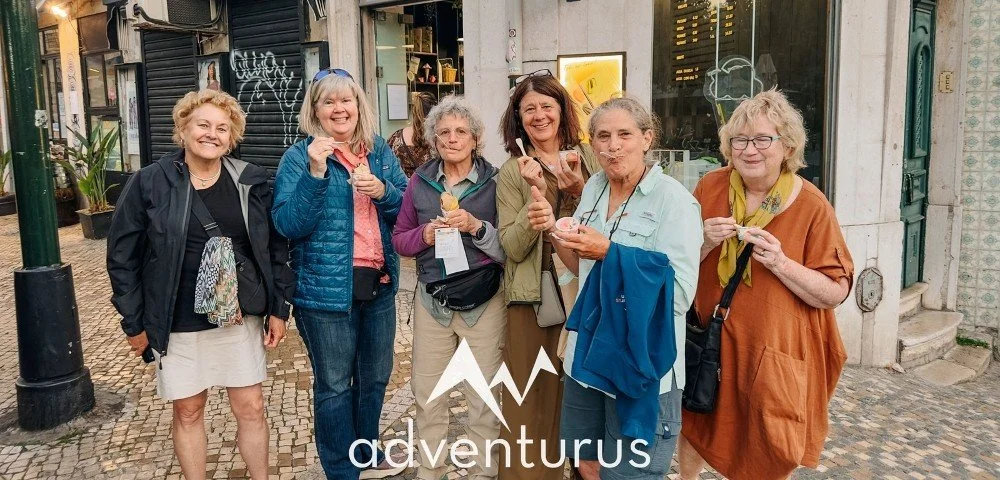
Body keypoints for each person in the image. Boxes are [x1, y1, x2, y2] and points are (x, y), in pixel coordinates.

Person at [107, 89, 295, 480]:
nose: (212, 134)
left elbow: (274, 249)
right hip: (177, 320)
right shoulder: (149, 183)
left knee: (252, 407)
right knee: (188, 411)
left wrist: (280, 308)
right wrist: (134, 322)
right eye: (204, 124)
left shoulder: (250, 180)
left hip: (237, 318)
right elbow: (122, 257)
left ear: (232, 137)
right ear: (184, 128)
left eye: (222, 128)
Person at [677, 89, 854, 480]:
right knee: (696, 418)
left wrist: (781, 263)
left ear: (787, 145)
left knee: (771, 438)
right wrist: (703, 241)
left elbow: (835, 291)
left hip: (773, 352)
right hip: (711, 340)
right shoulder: (710, 187)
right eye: (740, 140)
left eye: (762, 139)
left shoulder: (811, 205)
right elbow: (676, 263)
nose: (750, 150)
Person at [532, 97, 702, 479]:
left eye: (624, 134)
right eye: (603, 136)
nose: (613, 145)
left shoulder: (674, 202)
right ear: (592, 144)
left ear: (647, 138)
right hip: (589, 355)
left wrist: (610, 252)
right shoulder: (593, 187)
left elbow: (679, 296)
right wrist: (553, 230)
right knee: (586, 464)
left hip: (640, 365)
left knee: (628, 474)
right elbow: (583, 269)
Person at [271, 68, 408, 479]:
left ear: (358, 106)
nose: (338, 108)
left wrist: (383, 192)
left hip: (379, 285)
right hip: (325, 293)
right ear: (315, 111)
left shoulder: (380, 150)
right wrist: (315, 174)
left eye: (345, 100)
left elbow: (407, 212)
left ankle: (365, 452)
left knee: (376, 377)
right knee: (333, 384)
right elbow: (287, 224)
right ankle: (341, 469)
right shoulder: (300, 157)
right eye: (328, 101)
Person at [391, 95, 506, 480]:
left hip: (483, 300)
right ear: (434, 140)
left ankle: (484, 472)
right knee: (429, 393)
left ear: (475, 139)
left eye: (461, 132)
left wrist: (476, 227)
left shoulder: (497, 182)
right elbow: (399, 240)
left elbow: (509, 247)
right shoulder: (419, 183)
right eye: (443, 133)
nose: (452, 139)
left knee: (483, 394)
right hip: (433, 302)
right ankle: (430, 470)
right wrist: (424, 234)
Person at [494, 70, 600, 480]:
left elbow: (610, 224)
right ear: (518, 119)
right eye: (528, 109)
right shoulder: (511, 171)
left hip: (587, 288)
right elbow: (511, 246)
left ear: (561, 110)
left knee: (583, 392)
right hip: (534, 295)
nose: (539, 116)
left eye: (547, 106)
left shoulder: (587, 158)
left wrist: (577, 189)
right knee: (528, 396)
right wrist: (532, 211)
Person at [388, 91, 437, 177]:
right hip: (431, 189)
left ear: (414, 112)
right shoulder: (439, 139)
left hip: (404, 189)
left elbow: (387, 166)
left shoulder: (396, 137)